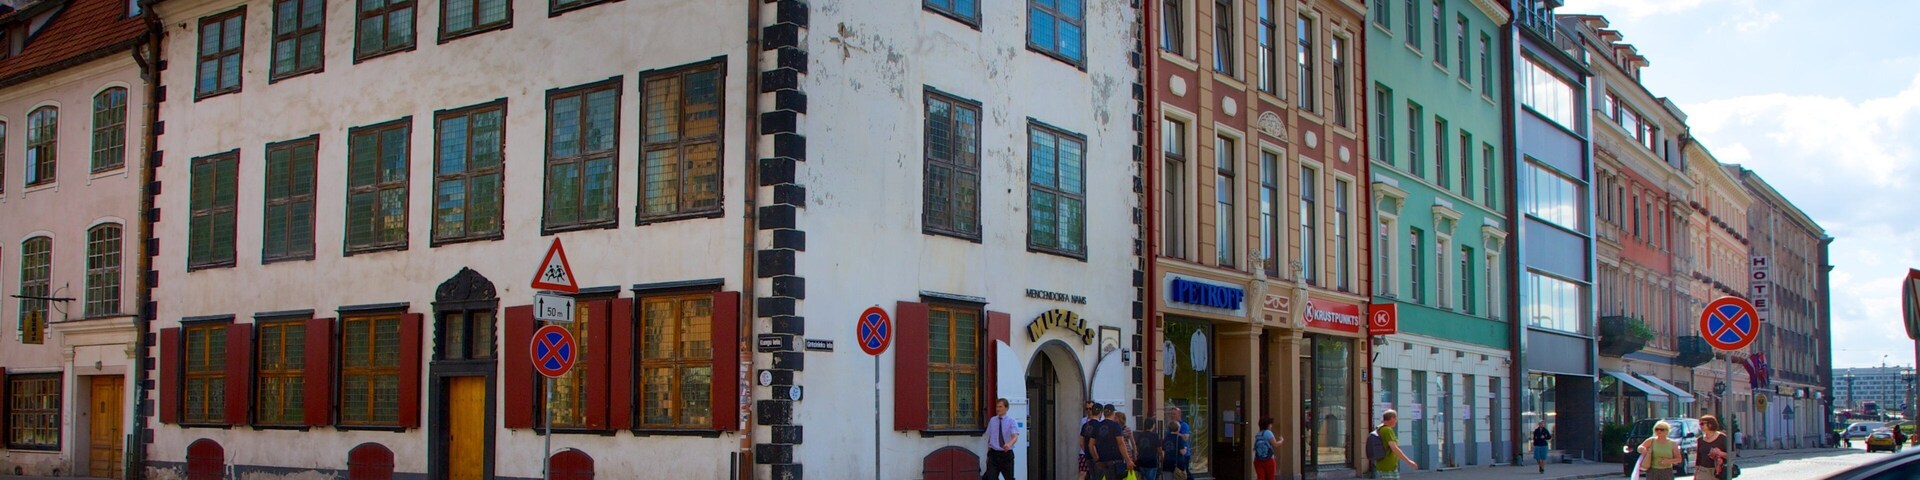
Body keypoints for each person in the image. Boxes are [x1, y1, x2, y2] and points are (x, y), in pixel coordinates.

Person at [1083, 404, 1132, 480]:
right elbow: (1121, 443)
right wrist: (1128, 460)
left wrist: (1097, 460)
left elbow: (1091, 445)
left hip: (1102, 460)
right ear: (1113, 413)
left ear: (1103, 413)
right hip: (1115, 460)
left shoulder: (1097, 426)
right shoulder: (1115, 425)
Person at [1373, 410, 1417, 479]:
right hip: (1388, 466)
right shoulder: (1387, 430)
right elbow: (1394, 448)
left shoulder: (1380, 428)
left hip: (1382, 464)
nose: (1396, 421)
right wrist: (1409, 461)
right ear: (1392, 418)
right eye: (1395, 418)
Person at [982, 398, 1019, 480]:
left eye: (1000, 407)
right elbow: (990, 438)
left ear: (1006, 408)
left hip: (1006, 454)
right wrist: (988, 455)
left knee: (1009, 477)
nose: (998, 409)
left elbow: (1015, 436)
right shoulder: (992, 420)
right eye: (997, 407)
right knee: (991, 477)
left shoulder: (1011, 421)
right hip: (994, 454)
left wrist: (1008, 444)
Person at [1696, 415, 1733, 480]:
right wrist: (1696, 474)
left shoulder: (1722, 438)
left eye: (1702, 424)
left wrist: (1720, 453)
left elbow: (1730, 455)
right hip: (1703, 471)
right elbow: (1698, 458)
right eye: (1699, 424)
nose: (1700, 426)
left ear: (1710, 424)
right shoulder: (1700, 440)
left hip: (1718, 471)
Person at [1162, 406, 1191, 480]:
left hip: (1183, 455)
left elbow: (1186, 437)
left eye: (1174, 414)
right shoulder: (1170, 425)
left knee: (1184, 475)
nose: (1172, 416)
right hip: (1170, 456)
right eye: (1171, 414)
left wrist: (1176, 433)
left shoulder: (1184, 425)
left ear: (1179, 414)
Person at [1080, 402, 1097, 480]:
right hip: (1084, 452)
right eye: (1087, 409)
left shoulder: (1100, 421)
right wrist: (1085, 450)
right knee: (1082, 473)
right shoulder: (1083, 421)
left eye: (1090, 409)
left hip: (1096, 452)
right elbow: (1081, 438)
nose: (1089, 411)